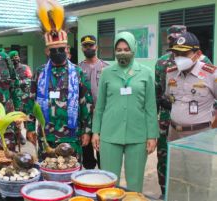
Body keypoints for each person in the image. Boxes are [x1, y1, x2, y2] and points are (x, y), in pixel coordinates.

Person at [92, 31, 159, 192]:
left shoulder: (146, 73)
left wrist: (152, 135)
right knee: (108, 182)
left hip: (137, 135)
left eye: (126, 48)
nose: (122, 52)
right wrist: (96, 132)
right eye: (119, 49)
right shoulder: (107, 73)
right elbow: (99, 105)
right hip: (109, 134)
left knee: (135, 183)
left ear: (134, 49)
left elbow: (150, 107)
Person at [26, 1, 93, 160]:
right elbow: (31, 102)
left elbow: (86, 103)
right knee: (47, 175)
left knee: (71, 175)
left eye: (61, 49)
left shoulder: (77, 72)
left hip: (71, 137)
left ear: (67, 49)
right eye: (53, 50)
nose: (58, 53)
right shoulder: (40, 73)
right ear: (47, 51)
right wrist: (29, 128)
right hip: (46, 138)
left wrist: (87, 131)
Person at [155, 25, 212, 198]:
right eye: (176, 53)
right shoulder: (170, 73)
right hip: (173, 135)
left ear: (197, 53)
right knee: (176, 179)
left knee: (198, 182)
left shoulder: (210, 73)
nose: (178, 58)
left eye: (184, 53)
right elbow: (165, 98)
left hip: (199, 136)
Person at [78, 35, 108, 169]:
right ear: (82, 48)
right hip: (85, 117)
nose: (88, 48)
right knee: (87, 154)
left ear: (96, 46)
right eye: (85, 46)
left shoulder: (106, 68)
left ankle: (104, 182)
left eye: (91, 45)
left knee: (103, 153)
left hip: (102, 116)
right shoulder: (77, 69)